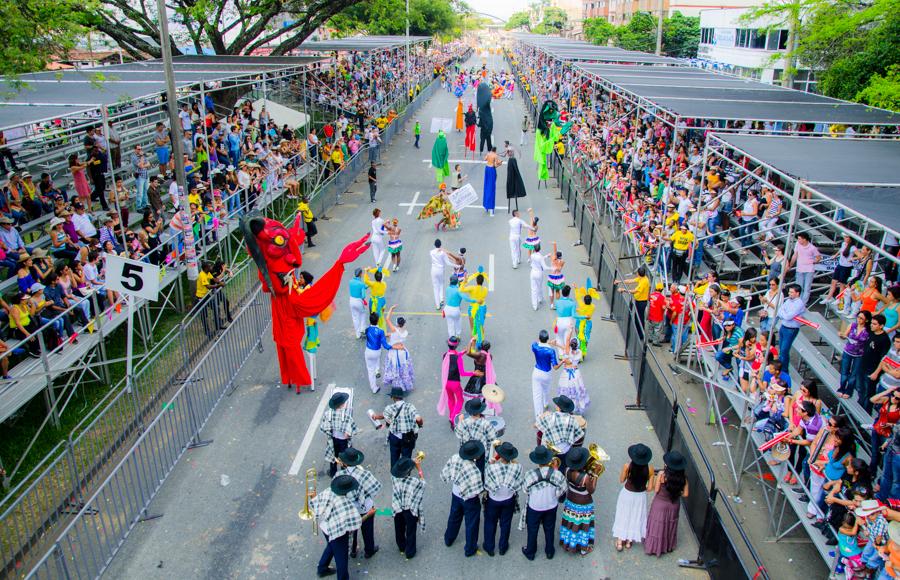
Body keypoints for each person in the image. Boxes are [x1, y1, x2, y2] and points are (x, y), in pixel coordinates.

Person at [520, 445, 566, 561]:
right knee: (549, 528)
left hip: (534, 507)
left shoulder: (530, 474)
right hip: (551, 506)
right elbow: (562, 490)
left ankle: (530, 552)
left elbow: (525, 490)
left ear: (537, 461)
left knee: (532, 529)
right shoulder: (557, 474)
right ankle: (549, 551)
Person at [312, 474, 361, 580]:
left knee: (331, 545)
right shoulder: (345, 504)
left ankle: (322, 567)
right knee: (341, 559)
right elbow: (355, 523)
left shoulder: (328, 491)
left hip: (325, 526)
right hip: (337, 532)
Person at [441, 440, 485, 557]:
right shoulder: (474, 470)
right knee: (471, 523)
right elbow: (478, 490)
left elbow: (445, 474)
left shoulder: (455, 458)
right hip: (470, 499)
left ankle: (449, 538)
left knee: (454, 516)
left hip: (456, 493)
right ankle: (470, 548)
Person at [336, 448, 381, 560]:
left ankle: (353, 550)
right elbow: (376, 488)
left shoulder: (339, 474)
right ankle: (369, 551)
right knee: (367, 530)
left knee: (351, 529)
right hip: (365, 507)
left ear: (345, 462)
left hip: (349, 509)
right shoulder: (365, 473)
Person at [483, 442, 523, 557]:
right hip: (509, 499)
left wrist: (492, 462)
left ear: (500, 455)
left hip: (493, 500)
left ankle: (489, 547)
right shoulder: (517, 467)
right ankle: (503, 547)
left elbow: (486, 480)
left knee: (490, 523)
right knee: (506, 523)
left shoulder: (491, 467)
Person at [645, 450, 689, 557]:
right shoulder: (684, 479)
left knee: (658, 524)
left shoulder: (662, 474)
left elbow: (656, 490)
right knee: (669, 524)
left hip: (660, 503)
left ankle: (654, 547)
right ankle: (667, 546)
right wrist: (677, 492)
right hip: (674, 504)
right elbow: (686, 494)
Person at [613, 443, 653, 551]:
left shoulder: (627, 466)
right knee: (636, 516)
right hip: (640, 496)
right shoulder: (650, 469)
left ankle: (620, 540)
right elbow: (649, 488)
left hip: (627, 494)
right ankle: (629, 541)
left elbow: (621, 480)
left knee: (624, 514)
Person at [559, 447, 598, 556]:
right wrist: (595, 476)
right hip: (583, 503)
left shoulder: (566, 470)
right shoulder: (585, 477)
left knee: (571, 522)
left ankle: (567, 543)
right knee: (582, 525)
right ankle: (583, 548)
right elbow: (592, 490)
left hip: (571, 500)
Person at [373, 387, 423, 469]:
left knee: (394, 456)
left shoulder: (389, 408)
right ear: (402, 397)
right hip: (408, 437)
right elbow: (418, 419)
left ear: (392, 397)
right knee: (406, 457)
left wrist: (376, 417)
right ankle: (405, 474)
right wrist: (420, 424)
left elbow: (384, 416)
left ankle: (395, 474)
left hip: (394, 437)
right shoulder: (410, 406)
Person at [391, 457, 426, 560]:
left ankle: (401, 546)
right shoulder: (413, 481)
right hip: (409, 510)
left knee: (399, 528)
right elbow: (423, 483)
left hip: (397, 507)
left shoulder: (394, 478)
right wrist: (418, 467)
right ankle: (410, 551)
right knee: (410, 531)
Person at [535, 395, 585, 464]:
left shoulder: (550, 417)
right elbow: (580, 434)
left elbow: (536, 425)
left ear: (558, 408)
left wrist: (542, 416)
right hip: (565, 451)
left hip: (549, 451)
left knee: (540, 432)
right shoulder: (572, 420)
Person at [438, 336, 474, 428]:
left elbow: (453, 356)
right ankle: (453, 419)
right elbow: (463, 373)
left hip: (446, 383)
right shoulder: (458, 357)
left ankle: (451, 415)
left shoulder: (445, 355)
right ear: (457, 345)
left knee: (451, 399)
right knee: (460, 400)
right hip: (455, 383)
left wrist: (462, 352)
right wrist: (474, 373)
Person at [455, 398, 498, 476]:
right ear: (480, 411)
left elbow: (458, 434)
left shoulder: (464, 422)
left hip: (467, 450)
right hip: (481, 452)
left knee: (468, 470)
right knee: (480, 470)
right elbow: (493, 440)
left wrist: (460, 420)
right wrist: (491, 456)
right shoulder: (486, 423)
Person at [861, 314, 892, 412]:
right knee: (861, 389)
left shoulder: (884, 339)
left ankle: (866, 412)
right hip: (863, 365)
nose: (871, 325)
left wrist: (876, 373)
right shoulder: (871, 332)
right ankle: (860, 406)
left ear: (881, 326)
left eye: (874, 324)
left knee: (869, 392)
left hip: (872, 369)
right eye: (871, 323)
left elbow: (884, 359)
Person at [838, 311, 871, 398]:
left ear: (866, 320)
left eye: (861, 318)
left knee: (854, 374)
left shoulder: (868, 330)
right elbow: (845, 335)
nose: (859, 320)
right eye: (858, 317)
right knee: (844, 371)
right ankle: (842, 388)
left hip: (859, 354)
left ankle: (849, 390)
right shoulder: (852, 325)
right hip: (848, 351)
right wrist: (842, 335)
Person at [555, 332, 589, 414]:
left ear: (570, 345)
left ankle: (565, 407)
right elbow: (566, 347)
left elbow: (566, 345)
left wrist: (570, 330)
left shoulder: (567, 352)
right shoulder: (579, 352)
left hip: (566, 374)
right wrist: (558, 345)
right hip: (576, 374)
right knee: (576, 391)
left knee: (566, 391)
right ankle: (575, 408)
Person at [383, 306, 414, 392]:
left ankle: (397, 385)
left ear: (397, 323)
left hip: (394, 352)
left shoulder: (394, 329)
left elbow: (387, 318)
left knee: (395, 368)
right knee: (403, 368)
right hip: (402, 352)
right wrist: (388, 334)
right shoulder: (405, 332)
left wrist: (391, 309)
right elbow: (396, 335)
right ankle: (405, 384)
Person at [776, 283, 806, 371]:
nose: (789, 294)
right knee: (782, 350)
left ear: (797, 293)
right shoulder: (789, 300)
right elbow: (780, 310)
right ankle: (782, 369)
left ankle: (784, 370)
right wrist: (785, 314)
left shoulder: (799, 303)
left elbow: (788, 316)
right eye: (789, 292)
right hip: (784, 326)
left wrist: (784, 314)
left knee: (784, 351)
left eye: (792, 292)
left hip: (791, 329)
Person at [615, 266, 650, 341]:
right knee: (636, 317)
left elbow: (635, 291)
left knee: (639, 318)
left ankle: (640, 335)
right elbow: (631, 280)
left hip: (641, 302)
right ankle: (638, 333)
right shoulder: (641, 278)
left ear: (639, 273)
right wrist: (620, 281)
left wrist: (623, 290)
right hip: (638, 300)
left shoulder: (644, 282)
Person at [531, 330, 560, 418]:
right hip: (547, 373)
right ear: (547, 338)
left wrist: (548, 342)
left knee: (536, 395)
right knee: (546, 389)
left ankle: (538, 416)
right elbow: (555, 367)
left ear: (539, 338)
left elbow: (537, 343)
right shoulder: (551, 351)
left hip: (536, 372)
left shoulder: (534, 346)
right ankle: (545, 403)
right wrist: (562, 361)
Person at [787, 232, 821, 304]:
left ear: (804, 239)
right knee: (798, 287)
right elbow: (795, 255)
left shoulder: (812, 248)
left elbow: (818, 257)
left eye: (799, 239)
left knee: (807, 288)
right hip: (800, 269)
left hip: (809, 270)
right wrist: (790, 265)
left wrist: (813, 261)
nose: (798, 240)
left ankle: (803, 303)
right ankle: (796, 301)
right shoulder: (797, 244)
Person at [363, 312, 392, 394]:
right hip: (376, 352)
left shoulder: (367, 329)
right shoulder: (380, 331)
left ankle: (374, 388)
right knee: (376, 360)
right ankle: (377, 370)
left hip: (368, 351)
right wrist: (393, 347)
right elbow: (385, 345)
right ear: (378, 320)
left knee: (370, 370)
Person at [460, 272, 489, 348]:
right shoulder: (485, 290)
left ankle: (473, 346)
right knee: (481, 326)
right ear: (483, 281)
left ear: (476, 280)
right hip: (482, 309)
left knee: (473, 328)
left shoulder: (472, 288)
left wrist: (465, 281)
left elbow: (461, 289)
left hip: (473, 309)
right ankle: (482, 343)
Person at [429, 239, 458, 311]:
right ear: (440, 244)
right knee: (441, 284)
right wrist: (457, 266)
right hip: (440, 270)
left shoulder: (431, 252)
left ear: (434, 245)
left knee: (435, 287)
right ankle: (441, 299)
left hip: (433, 270)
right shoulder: (442, 253)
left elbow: (436, 251)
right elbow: (448, 263)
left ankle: (438, 305)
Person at [347, 268, 368, 339]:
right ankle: (363, 329)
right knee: (362, 314)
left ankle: (357, 334)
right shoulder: (361, 284)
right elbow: (363, 296)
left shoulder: (350, 281)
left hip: (351, 300)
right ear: (360, 274)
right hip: (358, 301)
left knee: (355, 317)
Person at [529, 243, 549, 311]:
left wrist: (546, 256)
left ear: (534, 249)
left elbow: (539, 259)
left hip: (533, 272)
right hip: (539, 273)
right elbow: (545, 267)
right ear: (540, 249)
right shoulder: (540, 256)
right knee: (539, 286)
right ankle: (540, 299)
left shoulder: (532, 255)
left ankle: (535, 305)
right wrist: (552, 268)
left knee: (533, 289)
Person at [482, 146, 501, 216]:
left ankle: (486, 205)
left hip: (487, 169)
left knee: (486, 186)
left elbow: (485, 159)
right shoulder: (495, 155)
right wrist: (500, 163)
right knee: (492, 188)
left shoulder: (488, 153)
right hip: (491, 170)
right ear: (495, 150)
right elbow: (496, 165)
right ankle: (491, 208)